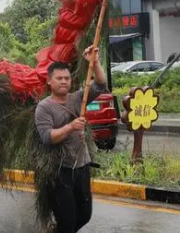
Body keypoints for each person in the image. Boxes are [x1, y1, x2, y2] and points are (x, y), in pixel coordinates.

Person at [34, 46, 108, 233]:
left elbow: (100, 84)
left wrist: (95, 61)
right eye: (59, 78)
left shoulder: (78, 98)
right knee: (67, 220)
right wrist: (70, 127)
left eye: (67, 78)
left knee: (85, 215)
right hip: (60, 171)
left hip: (81, 166)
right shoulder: (44, 107)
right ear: (49, 81)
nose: (64, 82)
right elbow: (47, 137)